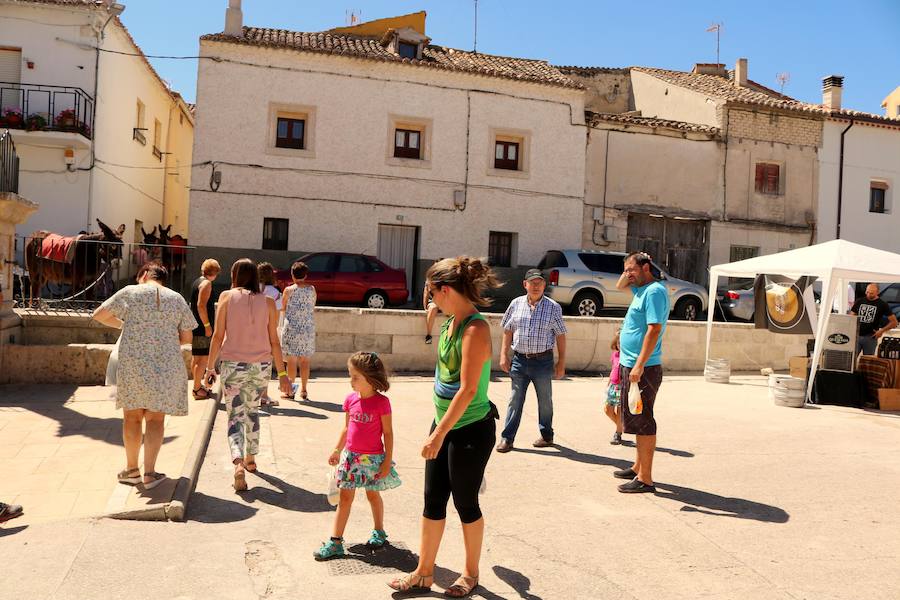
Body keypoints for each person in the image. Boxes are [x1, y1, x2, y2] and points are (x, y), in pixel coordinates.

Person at [388, 257, 500, 598]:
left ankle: (470, 573)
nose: (429, 297)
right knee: (432, 499)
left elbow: (467, 390)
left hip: (471, 430)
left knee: (465, 502)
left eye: (431, 290)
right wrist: (438, 427)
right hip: (445, 424)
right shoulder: (450, 322)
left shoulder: (475, 329)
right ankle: (424, 572)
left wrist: (438, 434)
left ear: (445, 290)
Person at [92, 261, 197, 490]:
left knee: (132, 417)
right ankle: (150, 473)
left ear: (145, 274)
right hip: (166, 365)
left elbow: (99, 315)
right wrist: (165, 337)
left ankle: (131, 471)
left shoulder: (130, 292)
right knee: (155, 419)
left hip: (133, 363)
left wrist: (126, 325)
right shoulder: (176, 298)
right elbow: (187, 338)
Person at [205, 259, 292, 491]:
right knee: (252, 412)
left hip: (233, 365)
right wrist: (282, 373)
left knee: (235, 416)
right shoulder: (269, 303)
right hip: (261, 366)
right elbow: (275, 341)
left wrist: (209, 369)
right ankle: (251, 459)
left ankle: (238, 464)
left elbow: (217, 337)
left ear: (235, 275)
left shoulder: (226, 297)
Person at [313, 352, 401, 560]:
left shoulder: (382, 403)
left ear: (370, 379)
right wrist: (337, 449)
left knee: (373, 495)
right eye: (350, 376)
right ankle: (335, 542)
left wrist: (387, 461)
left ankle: (379, 532)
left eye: (355, 377)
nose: (350, 381)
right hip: (351, 458)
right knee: (344, 498)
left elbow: (387, 433)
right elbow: (346, 428)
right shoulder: (350, 400)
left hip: (372, 460)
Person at [612, 252, 669, 494]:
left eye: (632, 269)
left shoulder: (655, 291)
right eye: (626, 270)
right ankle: (637, 466)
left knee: (643, 421)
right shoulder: (641, 289)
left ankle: (646, 478)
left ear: (646, 267)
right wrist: (629, 272)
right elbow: (619, 285)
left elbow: (654, 329)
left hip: (642, 368)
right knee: (634, 419)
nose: (627, 275)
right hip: (630, 364)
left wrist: (639, 364)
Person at [495, 269, 567, 453]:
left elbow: (560, 335)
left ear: (544, 285)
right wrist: (504, 354)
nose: (536, 286)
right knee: (515, 400)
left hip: (543, 361)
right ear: (525, 284)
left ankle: (546, 435)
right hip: (519, 360)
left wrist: (561, 362)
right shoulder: (516, 304)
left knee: (545, 401)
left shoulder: (553, 307)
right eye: (532, 283)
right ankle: (507, 438)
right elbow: (508, 330)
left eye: (539, 283)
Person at [281, 261, 316, 400]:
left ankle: (290, 390)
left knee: (291, 361)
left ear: (292, 274)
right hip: (307, 328)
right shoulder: (312, 289)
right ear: (305, 275)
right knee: (305, 361)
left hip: (292, 328)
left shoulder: (289, 290)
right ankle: (304, 390)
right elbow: (312, 306)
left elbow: (283, 307)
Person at [189, 259, 221, 400]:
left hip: (196, 325)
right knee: (203, 358)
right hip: (203, 327)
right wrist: (208, 326)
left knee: (196, 358)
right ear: (215, 272)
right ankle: (197, 389)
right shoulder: (207, 284)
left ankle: (197, 386)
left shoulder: (197, 281)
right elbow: (201, 306)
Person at [257, 262, 283, 407]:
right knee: (265, 364)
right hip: (268, 332)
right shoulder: (274, 293)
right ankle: (264, 395)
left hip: (252, 331)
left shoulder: (253, 290)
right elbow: (277, 316)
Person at [850, 283, 897, 356]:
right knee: (851, 358)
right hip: (856, 336)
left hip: (871, 337)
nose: (868, 294)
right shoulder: (859, 301)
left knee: (868, 360)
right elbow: (851, 316)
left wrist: (881, 331)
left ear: (877, 292)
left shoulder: (882, 304)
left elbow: (894, 322)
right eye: (867, 292)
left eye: (871, 293)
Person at [605, 330, 624, 445]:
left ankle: (618, 433)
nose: (620, 345)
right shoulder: (615, 355)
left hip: (622, 387)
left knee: (619, 410)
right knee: (608, 410)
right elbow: (613, 369)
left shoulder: (628, 356)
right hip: (613, 385)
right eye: (618, 343)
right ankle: (621, 426)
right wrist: (608, 383)